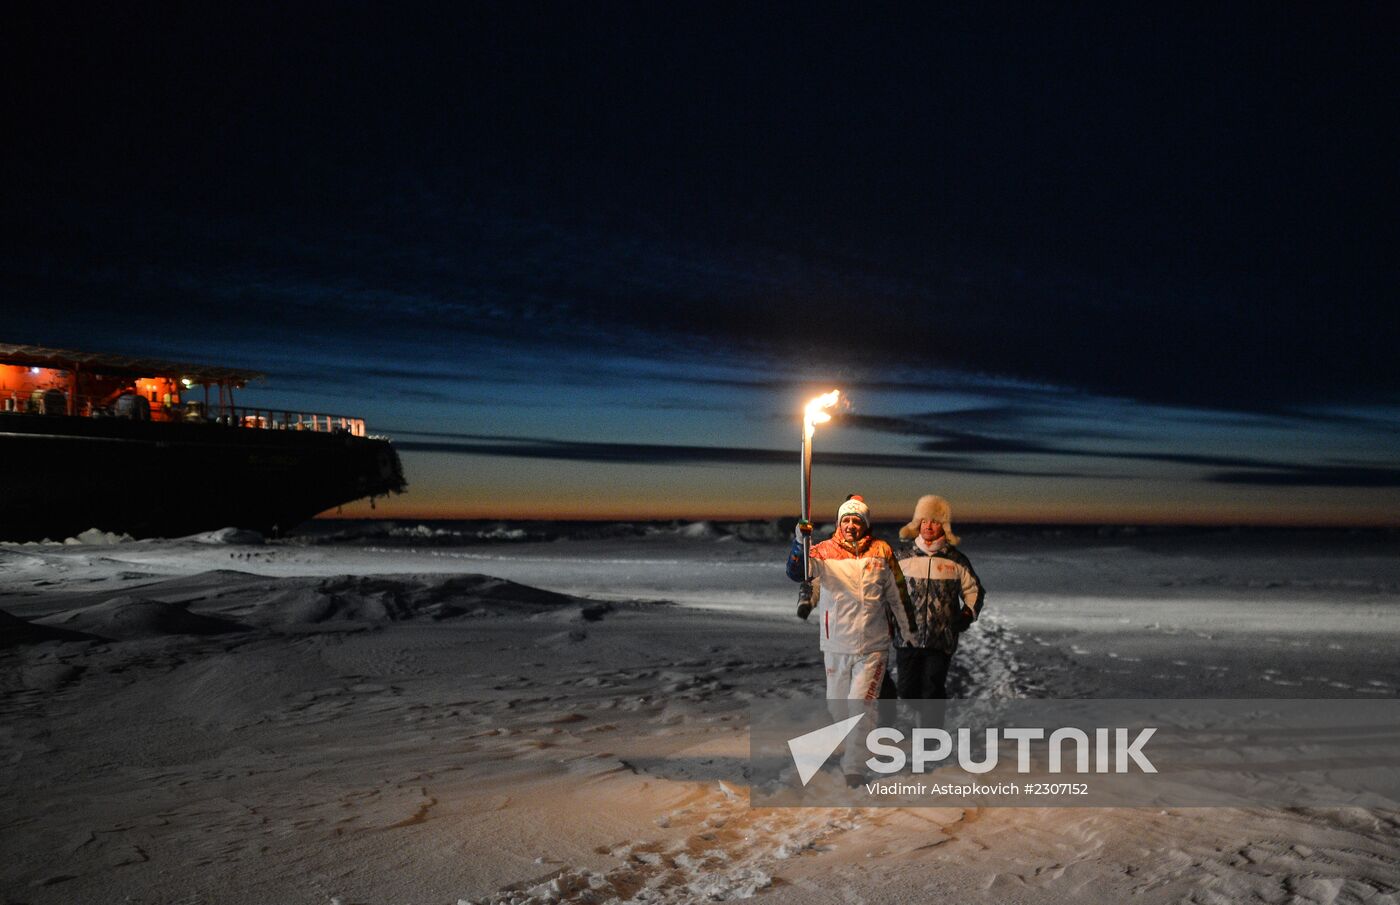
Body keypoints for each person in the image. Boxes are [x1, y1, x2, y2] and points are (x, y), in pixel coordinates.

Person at [786, 494, 914, 784]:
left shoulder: (881, 551)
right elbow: (798, 573)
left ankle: (854, 767)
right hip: (836, 644)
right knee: (838, 708)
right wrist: (799, 543)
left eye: (857, 521)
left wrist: (909, 630)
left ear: (865, 525)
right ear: (838, 522)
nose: (851, 525)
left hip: (873, 645)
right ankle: (860, 742)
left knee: (861, 705)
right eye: (846, 520)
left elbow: (898, 593)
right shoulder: (823, 551)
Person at [894, 495, 985, 718]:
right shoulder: (901, 557)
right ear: (917, 524)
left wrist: (966, 614)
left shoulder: (955, 559)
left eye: (934, 521)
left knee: (932, 690)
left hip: (941, 638)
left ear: (943, 526)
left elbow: (974, 591)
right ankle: (923, 716)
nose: (928, 526)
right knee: (906, 691)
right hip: (907, 637)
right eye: (924, 521)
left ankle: (931, 739)